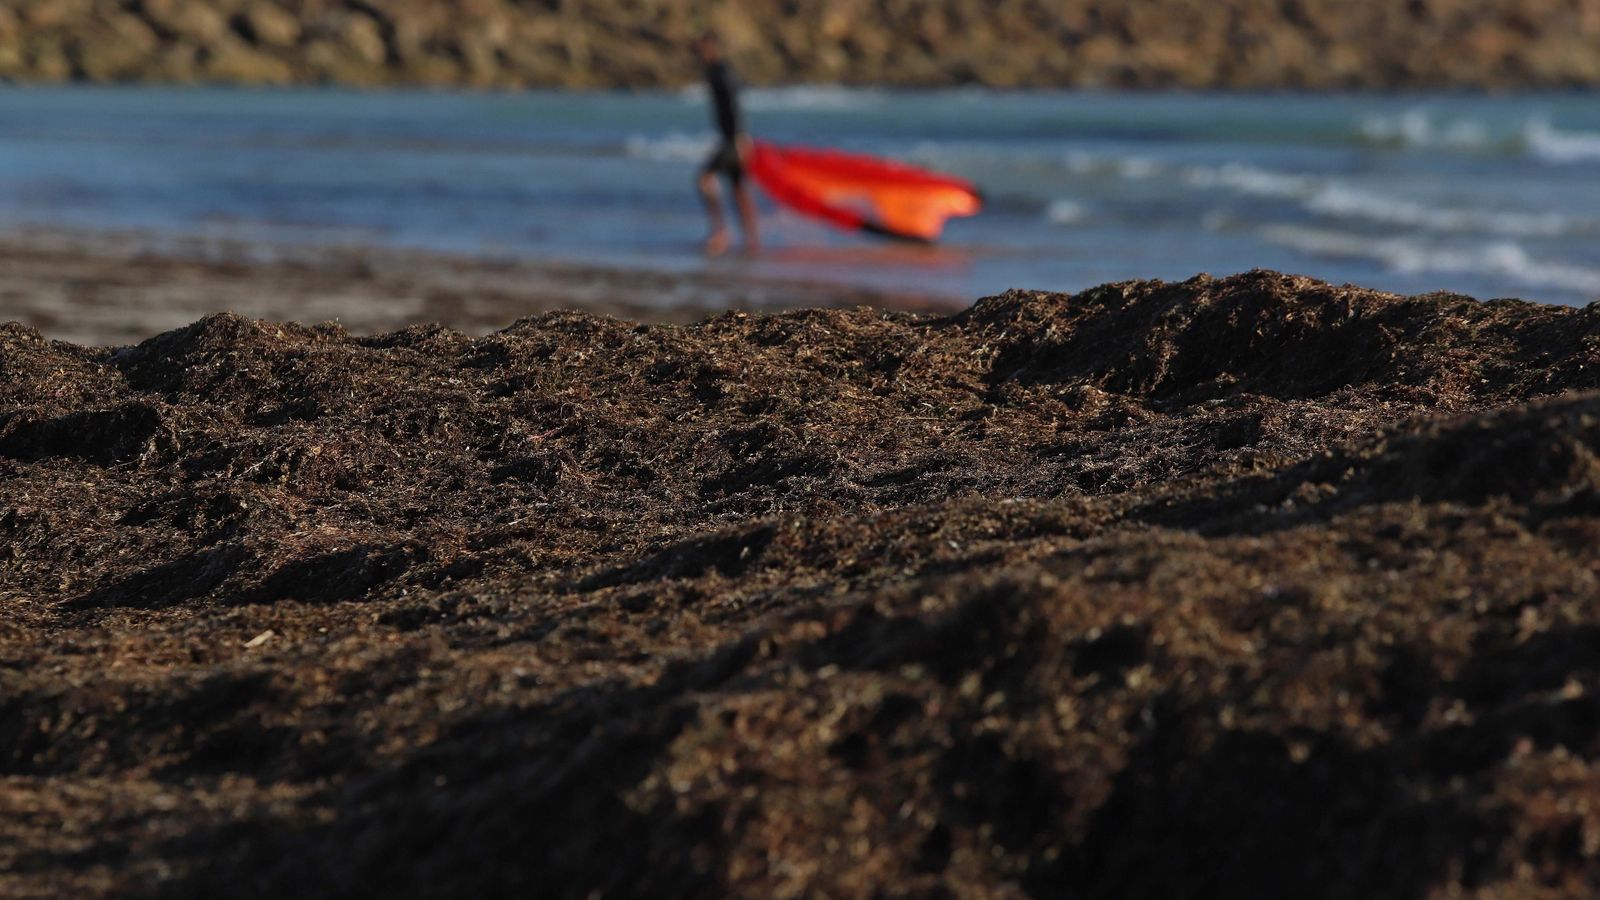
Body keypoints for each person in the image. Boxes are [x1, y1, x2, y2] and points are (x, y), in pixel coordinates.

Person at [693, 33, 759, 256]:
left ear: (711, 49)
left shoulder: (721, 72)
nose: (699, 55)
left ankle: (720, 233)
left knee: (705, 179)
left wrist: (740, 138)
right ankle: (751, 239)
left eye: (701, 50)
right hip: (735, 138)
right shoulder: (719, 71)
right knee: (738, 187)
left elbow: (733, 106)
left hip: (734, 140)